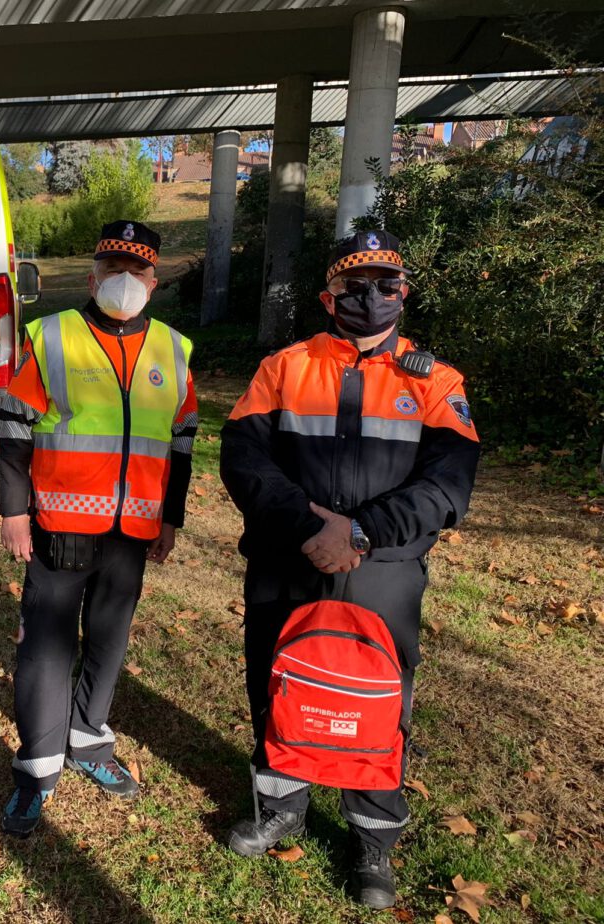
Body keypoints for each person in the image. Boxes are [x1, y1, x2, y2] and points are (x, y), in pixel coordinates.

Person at [219, 230, 480, 908]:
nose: (369, 296)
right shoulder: (283, 366)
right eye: (353, 285)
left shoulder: (438, 382)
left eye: (384, 284)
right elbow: (243, 460)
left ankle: (373, 840)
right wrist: (311, 529)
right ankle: (280, 806)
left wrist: (359, 532)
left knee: (380, 705)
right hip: (288, 558)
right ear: (327, 296)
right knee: (277, 683)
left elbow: (448, 487)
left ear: (404, 293)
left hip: (382, 570)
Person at [0, 220, 199, 837]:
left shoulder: (173, 348)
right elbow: (12, 428)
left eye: (136, 270)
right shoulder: (53, 337)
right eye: (113, 268)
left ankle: (88, 742)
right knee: (46, 649)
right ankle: (36, 769)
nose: (124, 280)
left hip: (132, 532)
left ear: (154, 281)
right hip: (58, 527)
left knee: (108, 642)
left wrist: (171, 518)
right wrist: (12, 511)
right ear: (93, 276)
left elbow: (182, 441)